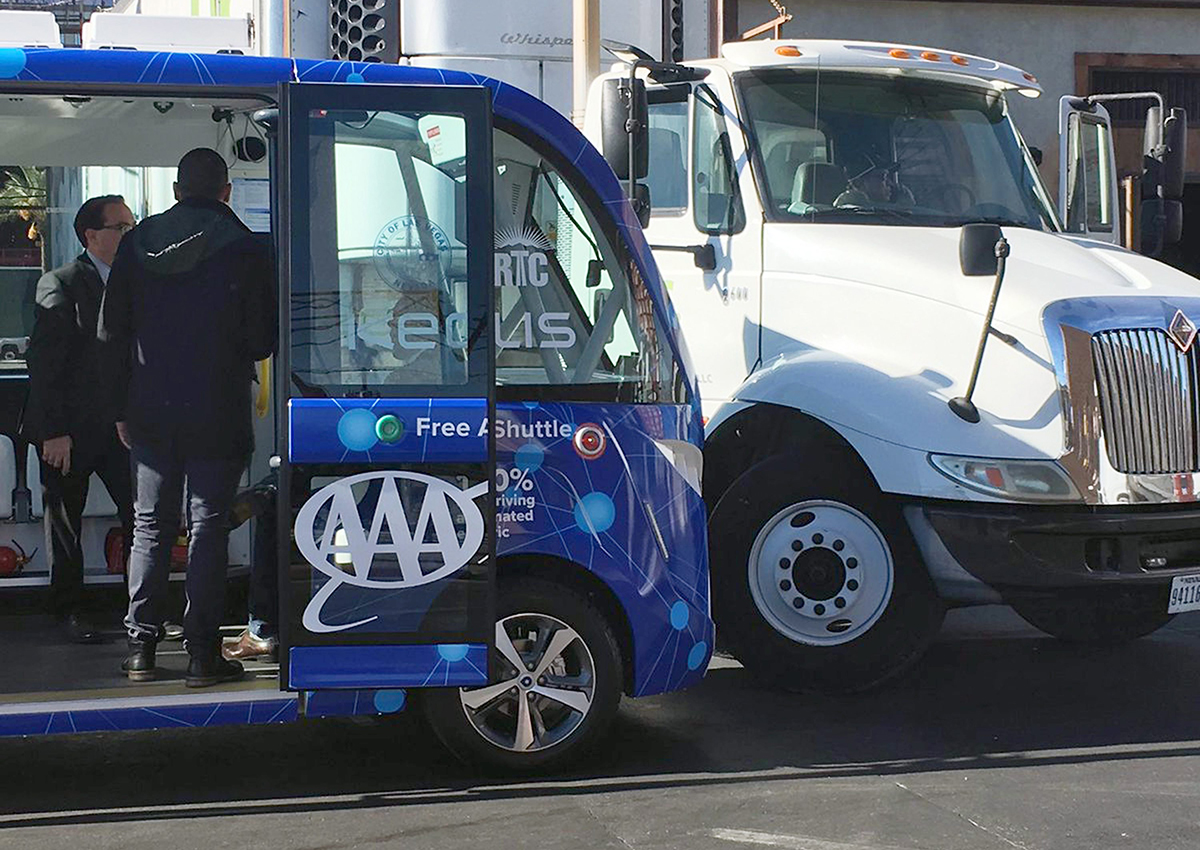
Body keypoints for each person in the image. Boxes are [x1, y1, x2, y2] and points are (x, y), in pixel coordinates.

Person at [99, 148, 277, 687]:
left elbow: (111, 334)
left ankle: (140, 649)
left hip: (150, 410)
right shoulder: (246, 248)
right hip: (217, 411)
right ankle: (202, 653)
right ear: (225, 191)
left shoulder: (137, 243)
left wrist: (121, 409)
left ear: (177, 191)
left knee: (150, 527)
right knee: (209, 527)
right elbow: (261, 339)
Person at [22, 195, 136, 644]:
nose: (130, 234)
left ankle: (141, 610)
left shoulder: (135, 282)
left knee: (141, 515)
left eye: (133, 225)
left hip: (120, 428)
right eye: (122, 228)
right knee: (65, 519)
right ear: (92, 235)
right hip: (67, 429)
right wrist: (53, 431)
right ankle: (69, 610)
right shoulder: (62, 283)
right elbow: (46, 362)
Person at [834, 153, 915, 208]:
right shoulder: (847, 217)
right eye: (883, 177)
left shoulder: (880, 214)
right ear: (858, 183)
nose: (890, 184)